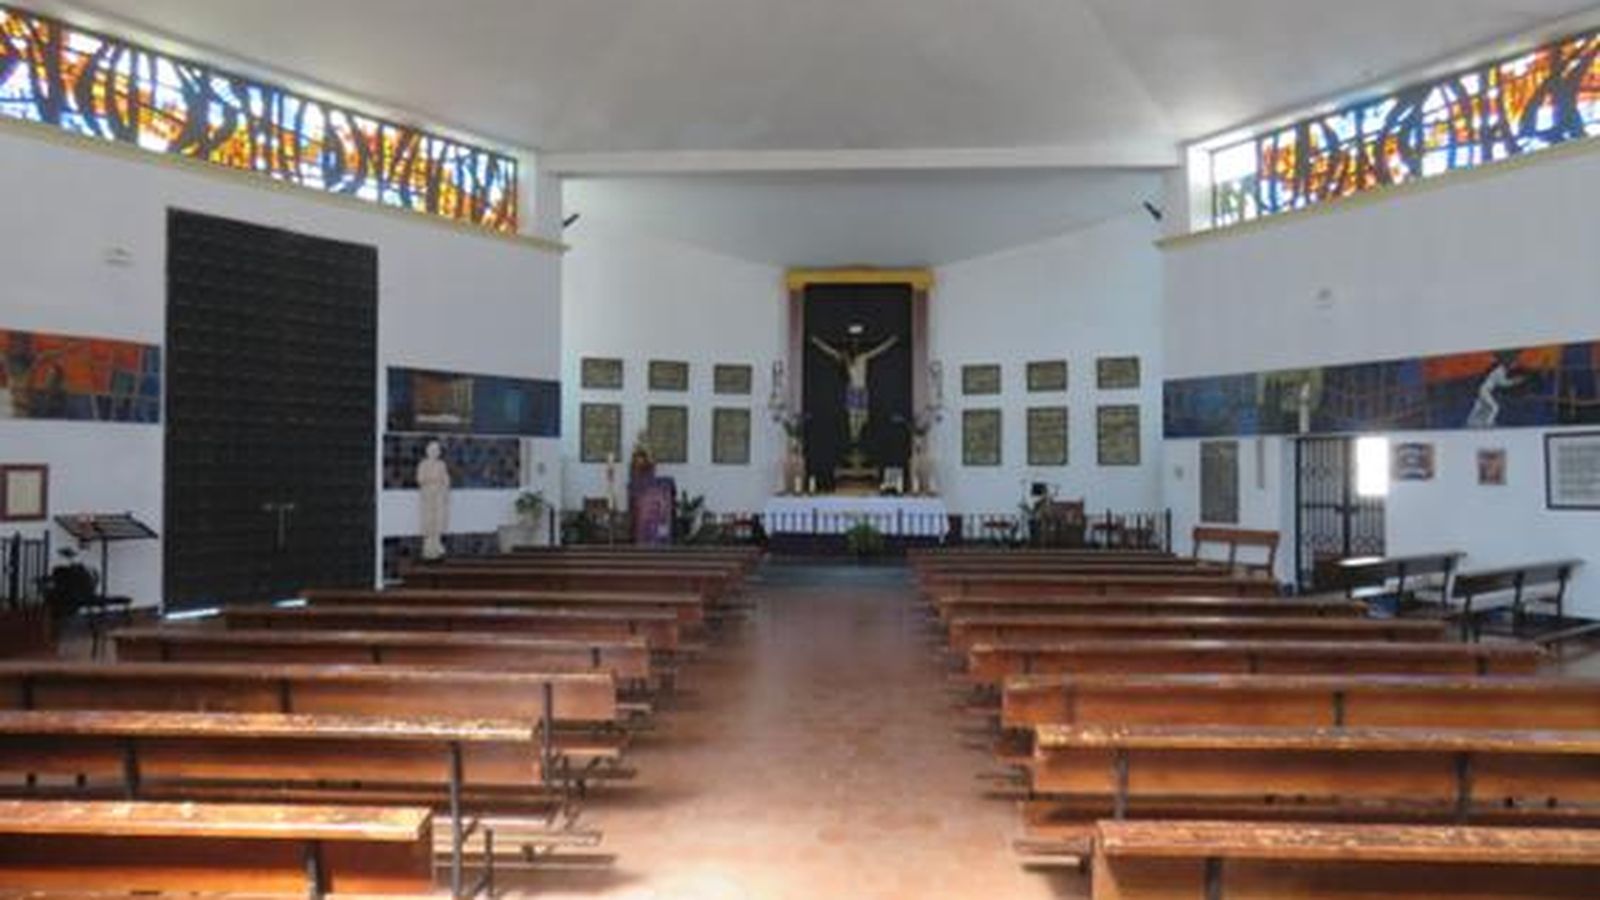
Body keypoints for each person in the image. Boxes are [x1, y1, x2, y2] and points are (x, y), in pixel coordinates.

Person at [810, 333, 899, 445]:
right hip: (852, 391)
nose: (849, 355)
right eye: (849, 351)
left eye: (855, 348)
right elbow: (830, 351)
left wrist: (890, 342)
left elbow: (878, 351)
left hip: (862, 390)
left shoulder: (863, 358)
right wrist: (817, 342)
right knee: (852, 419)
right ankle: (854, 438)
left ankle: (859, 437)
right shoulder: (845, 360)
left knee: (863, 419)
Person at [416, 441, 451, 560]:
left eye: (437, 450)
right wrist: (433, 480)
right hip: (428, 496)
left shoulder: (441, 464)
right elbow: (420, 479)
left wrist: (444, 489)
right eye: (432, 450)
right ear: (428, 451)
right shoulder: (423, 464)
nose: (435, 452)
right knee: (429, 520)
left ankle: (437, 544)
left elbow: (446, 479)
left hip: (439, 496)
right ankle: (428, 546)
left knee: (438, 520)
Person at [1467, 355, 1520, 428]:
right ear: (1508, 364)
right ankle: (1489, 423)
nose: (1514, 366)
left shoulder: (1502, 370)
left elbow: (1502, 382)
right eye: (1513, 364)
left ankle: (1472, 422)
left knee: (1480, 407)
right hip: (1485, 390)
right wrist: (1514, 381)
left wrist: (1513, 381)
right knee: (1495, 407)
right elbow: (1503, 383)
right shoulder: (1500, 371)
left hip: (1484, 389)